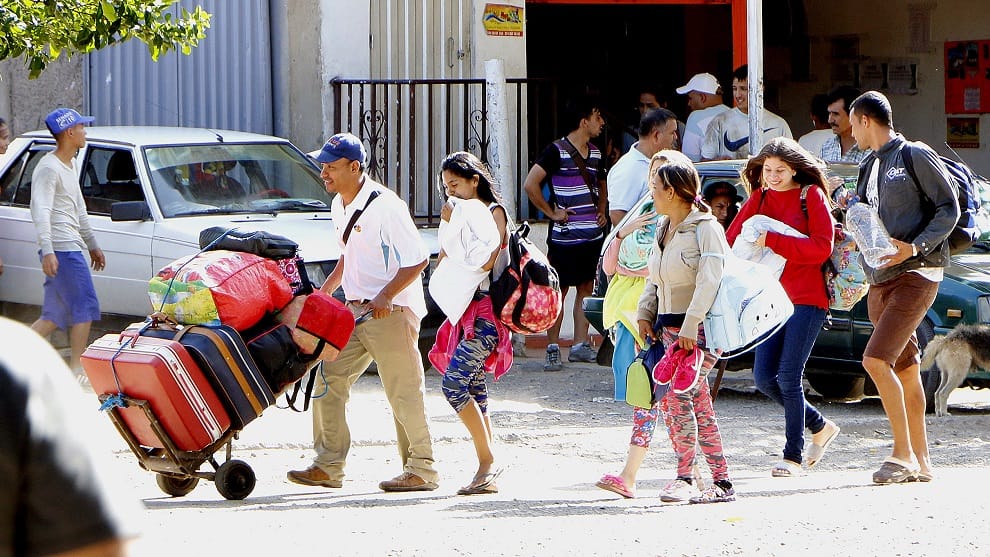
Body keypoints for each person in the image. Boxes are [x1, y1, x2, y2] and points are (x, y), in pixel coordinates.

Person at [287, 132, 440, 492]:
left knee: (403, 392)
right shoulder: (339, 204)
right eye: (322, 165)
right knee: (327, 379)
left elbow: (417, 259)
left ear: (355, 167)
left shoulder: (387, 206)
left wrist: (386, 296)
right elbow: (348, 254)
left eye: (331, 167)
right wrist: (325, 294)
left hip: (393, 312)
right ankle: (328, 465)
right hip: (355, 312)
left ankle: (422, 469)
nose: (323, 173)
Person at [848, 91, 958, 484]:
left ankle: (902, 455)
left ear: (864, 120)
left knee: (874, 361)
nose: (850, 131)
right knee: (905, 367)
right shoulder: (866, 165)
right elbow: (862, 216)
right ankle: (923, 462)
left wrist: (914, 246)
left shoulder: (914, 154)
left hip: (918, 273)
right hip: (880, 278)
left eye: (851, 122)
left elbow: (950, 207)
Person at [725, 137, 841, 477]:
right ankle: (820, 426)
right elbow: (732, 240)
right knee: (763, 377)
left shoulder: (811, 195)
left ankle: (792, 456)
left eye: (779, 170)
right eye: (767, 170)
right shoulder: (759, 197)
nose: (772, 176)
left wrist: (770, 240)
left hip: (807, 299)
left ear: (795, 170)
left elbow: (820, 248)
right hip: (766, 299)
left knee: (789, 377)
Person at [636, 150, 736, 504]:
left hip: (701, 332)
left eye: (657, 187)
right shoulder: (665, 227)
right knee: (696, 401)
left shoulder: (706, 228)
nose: (652, 193)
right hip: (670, 330)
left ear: (674, 192)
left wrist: (691, 325)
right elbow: (656, 277)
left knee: (679, 396)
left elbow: (710, 280)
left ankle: (685, 478)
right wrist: (644, 313)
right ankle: (720, 481)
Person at [1, 316, 139, 556]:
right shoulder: (16, 357)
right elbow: (98, 548)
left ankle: (77, 363)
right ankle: (77, 364)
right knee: (76, 312)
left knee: (70, 312)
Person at [428, 151, 512, 495]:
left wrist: (455, 222)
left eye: (457, 184)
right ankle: (487, 468)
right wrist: (450, 224)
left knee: (453, 384)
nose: (452, 192)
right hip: (464, 311)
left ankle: (487, 461)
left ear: (474, 180)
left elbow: (483, 261)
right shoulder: (460, 214)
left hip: (485, 314)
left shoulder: (493, 213)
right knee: (476, 391)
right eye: (447, 186)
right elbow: (445, 257)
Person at [523, 96, 608, 371]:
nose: (601, 123)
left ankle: (581, 345)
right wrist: (551, 213)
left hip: (591, 236)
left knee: (586, 288)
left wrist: (602, 209)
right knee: (559, 291)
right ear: (584, 121)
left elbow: (602, 182)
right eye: (597, 117)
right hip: (564, 238)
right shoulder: (555, 151)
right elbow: (530, 183)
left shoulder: (596, 152)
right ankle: (552, 347)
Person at [28, 108, 106, 374]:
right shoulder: (48, 169)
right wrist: (48, 250)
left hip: (70, 246)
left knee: (54, 316)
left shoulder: (69, 165)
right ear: (69, 132)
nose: (85, 132)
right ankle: (76, 372)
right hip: (62, 249)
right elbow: (41, 210)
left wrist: (92, 244)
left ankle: (9, 357)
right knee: (85, 305)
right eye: (82, 127)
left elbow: (79, 209)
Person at [701, 65, 793, 161]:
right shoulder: (719, 122)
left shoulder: (778, 124)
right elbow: (705, 161)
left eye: (743, 89)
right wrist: (718, 161)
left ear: (761, 89)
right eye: (735, 88)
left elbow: (791, 161)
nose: (738, 95)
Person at [607, 108, 679, 226]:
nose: (676, 137)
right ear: (656, 135)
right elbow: (617, 216)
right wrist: (638, 242)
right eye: (672, 132)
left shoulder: (665, 161)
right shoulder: (627, 169)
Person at [676, 72, 730, 162]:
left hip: (711, 176)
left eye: (690, 98)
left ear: (702, 97)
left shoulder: (696, 118)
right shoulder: (735, 114)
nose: (689, 103)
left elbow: (689, 163)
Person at [821, 85, 871, 165]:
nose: (830, 120)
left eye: (836, 114)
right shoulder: (827, 147)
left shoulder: (871, 151)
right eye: (829, 113)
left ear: (852, 115)